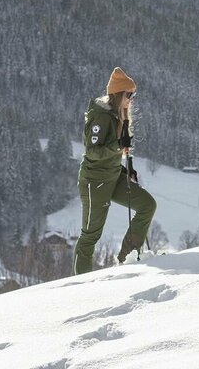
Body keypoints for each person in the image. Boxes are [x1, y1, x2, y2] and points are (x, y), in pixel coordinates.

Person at [74, 67, 157, 274]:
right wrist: (118, 145)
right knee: (90, 235)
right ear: (118, 94)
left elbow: (117, 149)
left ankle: (127, 258)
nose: (132, 99)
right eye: (129, 95)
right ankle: (78, 283)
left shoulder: (119, 116)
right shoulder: (100, 117)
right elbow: (92, 151)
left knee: (147, 205)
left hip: (113, 176)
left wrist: (127, 169)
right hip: (95, 181)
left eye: (133, 95)